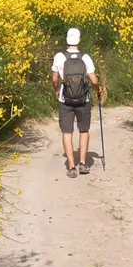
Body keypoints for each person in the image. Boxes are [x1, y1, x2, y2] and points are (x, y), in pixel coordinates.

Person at [51, 27, 103, 178]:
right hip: (83, 99)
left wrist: (56, 90)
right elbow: (93, 79)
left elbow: (55, 79)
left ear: (67, 40)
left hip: (65, 99)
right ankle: (82, 163)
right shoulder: (85, 57)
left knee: (67, 132)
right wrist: (98, 89)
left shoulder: (59, 56)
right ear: (79, 40)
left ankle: (72, 167)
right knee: (84, 130)